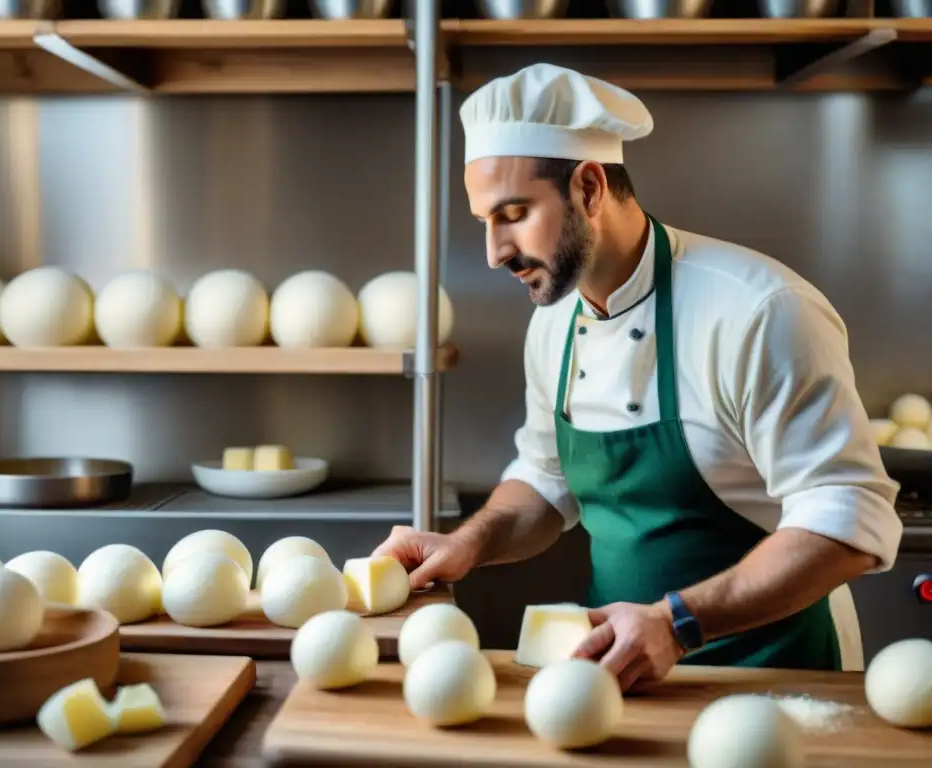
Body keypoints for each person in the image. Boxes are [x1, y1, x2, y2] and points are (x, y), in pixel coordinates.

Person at [373, 63, 903, 692]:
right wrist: (470, 543)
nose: (494, 252)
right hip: (617, 676)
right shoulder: (555, 320)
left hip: (777, 676)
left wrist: (677, 624)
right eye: (484, 221)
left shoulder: (758, 311)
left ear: (590, 187)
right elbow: (545, 481)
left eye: (513, 213)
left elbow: (849, 521)